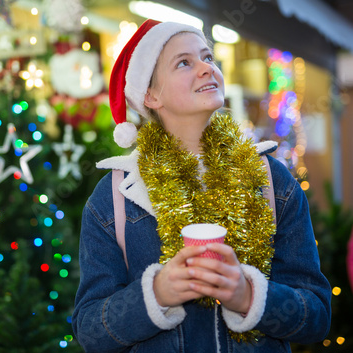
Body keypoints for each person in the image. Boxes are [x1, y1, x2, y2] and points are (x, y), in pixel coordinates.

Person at [72, 19, 331, 352]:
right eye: (184, 63)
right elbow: (90, 330)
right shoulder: (115, 199)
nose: (206, 69)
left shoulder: (271, 180)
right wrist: (157, 294)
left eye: (207, 58)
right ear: (150, 95)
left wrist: (248, 295)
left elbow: (318, 317)